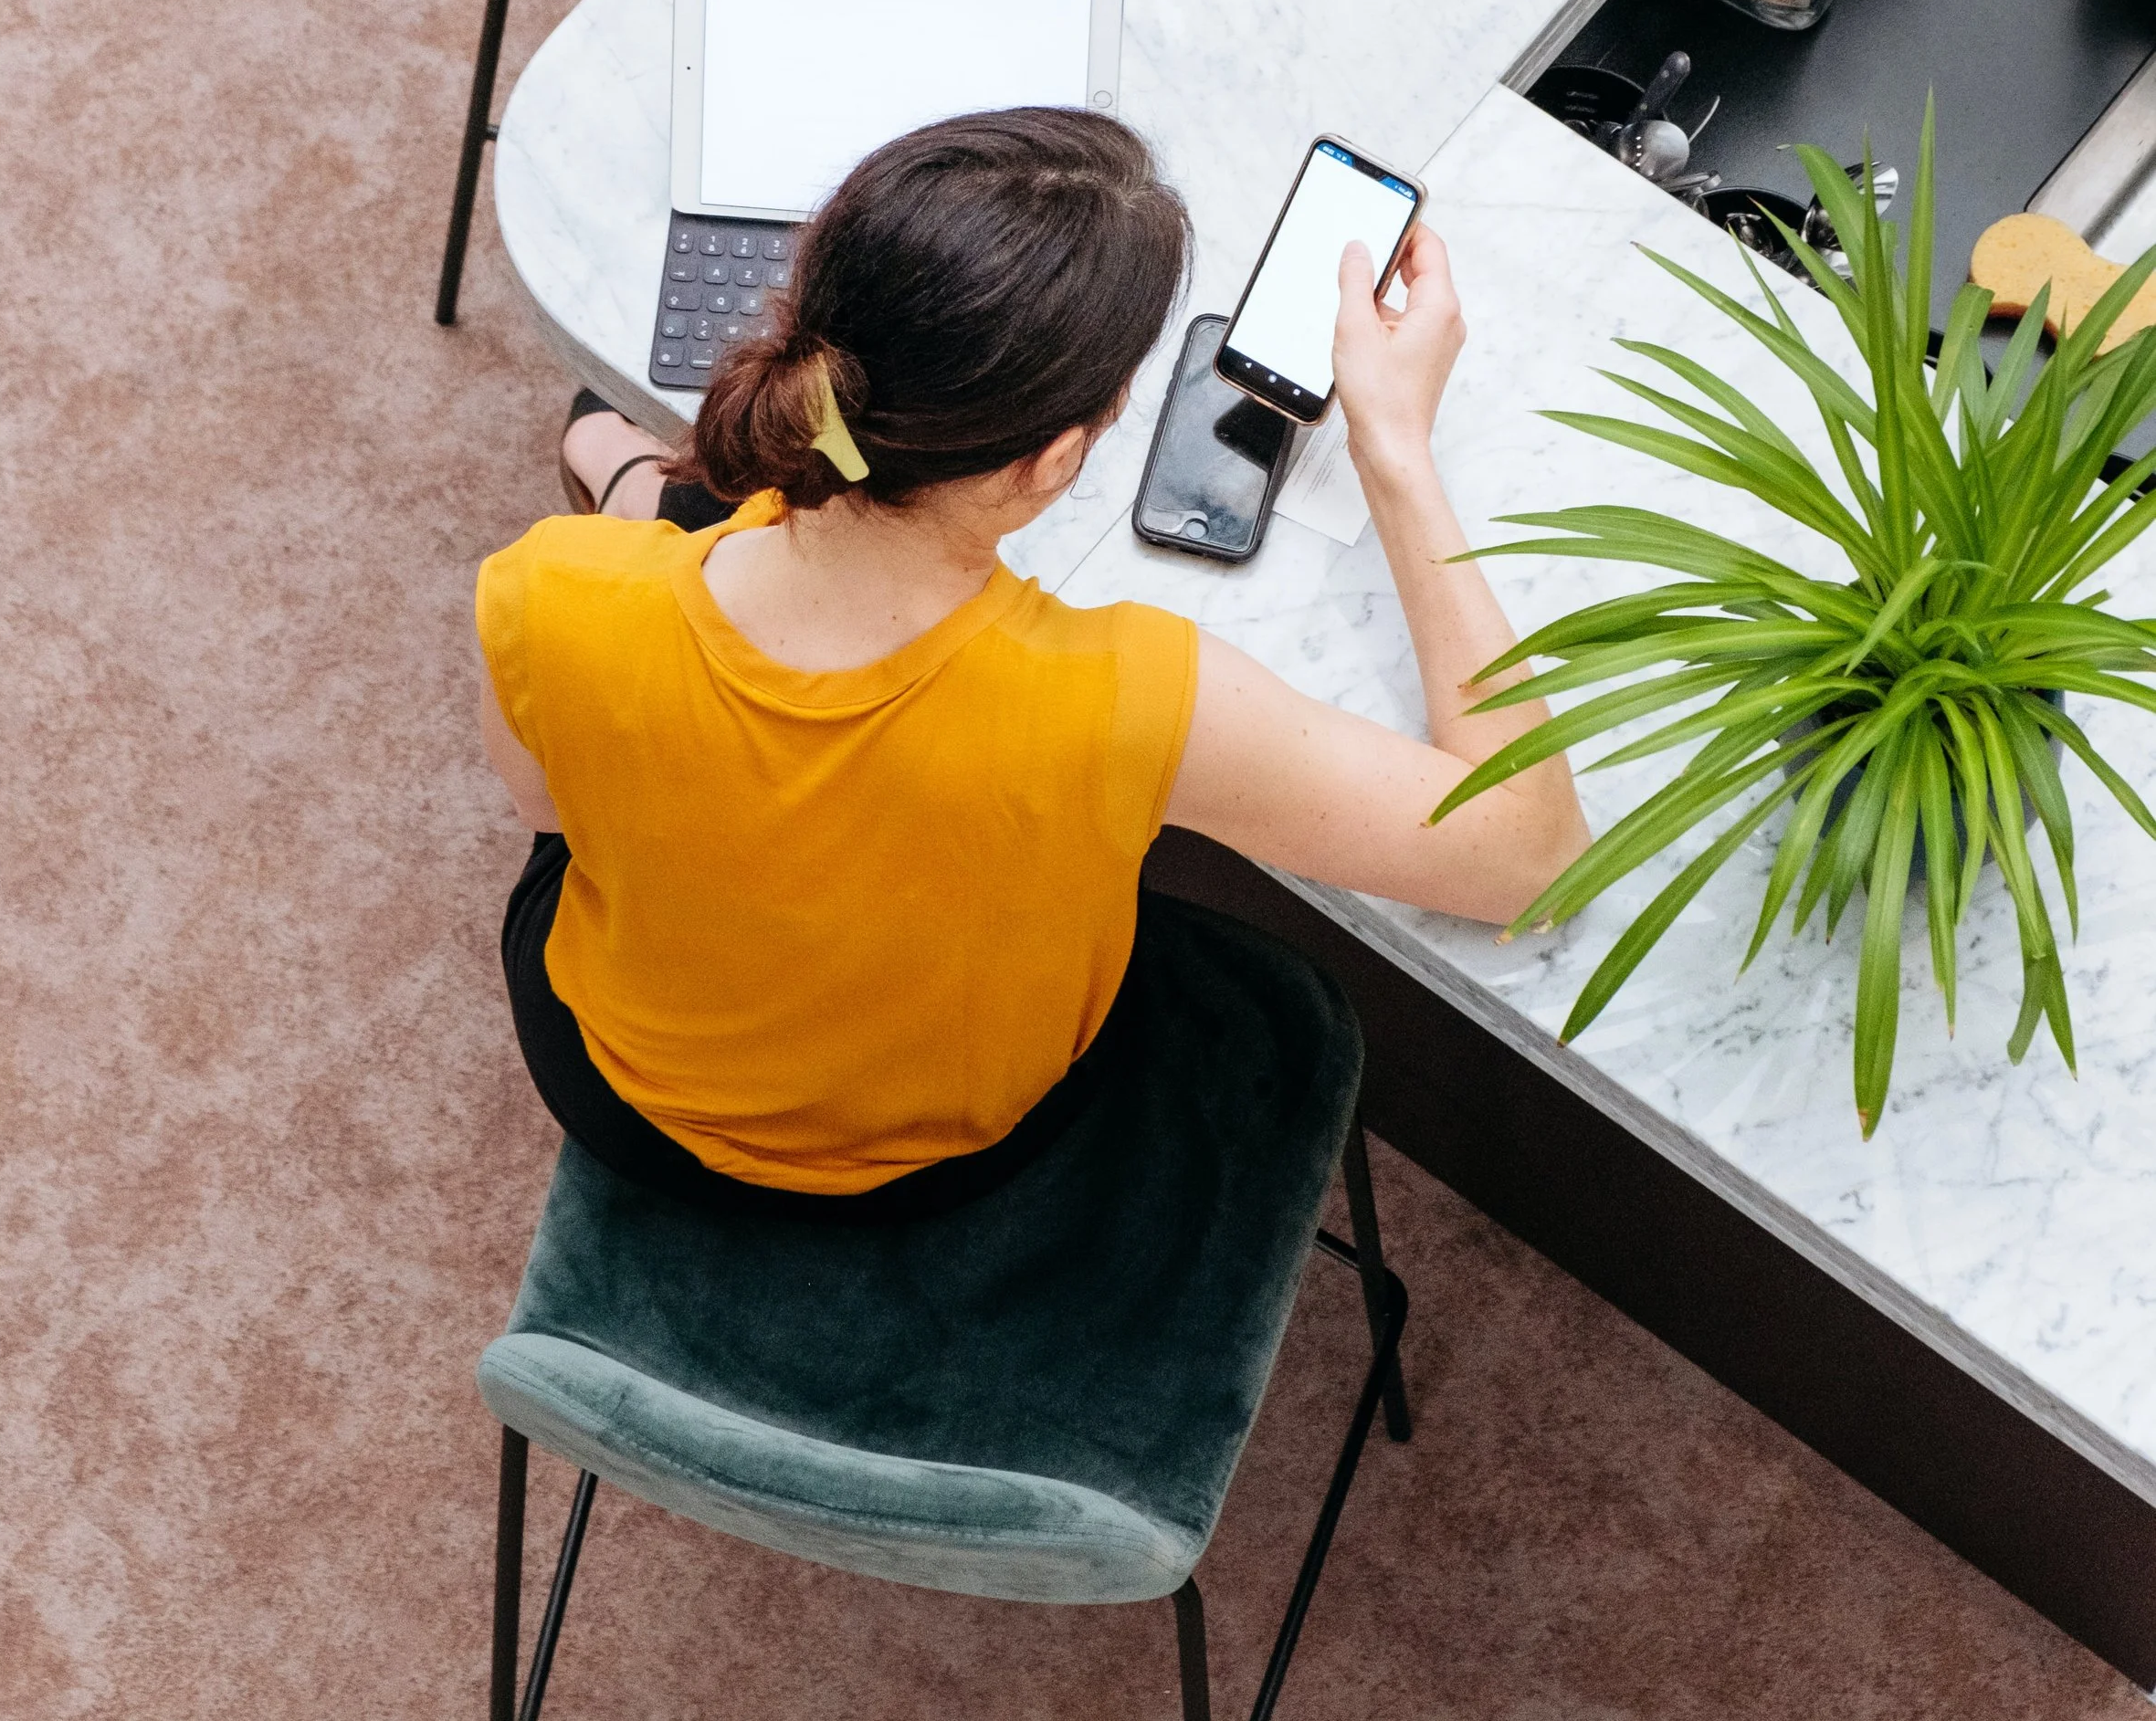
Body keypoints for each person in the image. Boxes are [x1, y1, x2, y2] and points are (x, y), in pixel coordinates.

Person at [477, 109, 1586, 1223]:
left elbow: (553, 815)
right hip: (953, 1148)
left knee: (680, 532)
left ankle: (622, 476)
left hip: (616, 1092)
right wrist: (1394, 447)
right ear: (1056, 457)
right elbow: (1530, 862)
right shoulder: (1127, 698)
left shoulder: (545, 591)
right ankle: (639, 478)